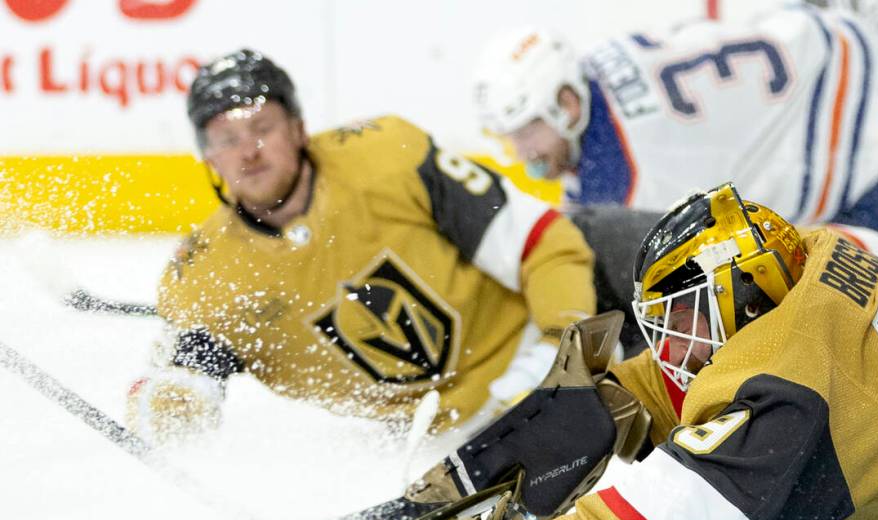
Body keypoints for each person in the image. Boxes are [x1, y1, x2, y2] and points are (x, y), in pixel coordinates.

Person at [287, 182, 878, 520]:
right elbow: (654, 385)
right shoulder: (818, 271)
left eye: (683, 318)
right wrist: (481, 469)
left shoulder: (795, 389)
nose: (672, 346)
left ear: (745, 288)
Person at [125, 48, 602, 447]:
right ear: (207, 155)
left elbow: (546, 242)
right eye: (226, 138)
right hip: (426, 445)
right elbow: (166, 404)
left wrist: (560, 356)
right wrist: (174, 399)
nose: (248, 151)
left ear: (297, 128)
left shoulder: (387, 155)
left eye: (262, 128)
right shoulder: (205, 277)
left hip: (532, 368)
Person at [472, 6, 878, 253]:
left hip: (872, 112)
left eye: (529, 128)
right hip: (817, 136)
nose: (522, 150)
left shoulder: (626, 177)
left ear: (565, 104)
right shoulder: (594, 79)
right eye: (511, 135)